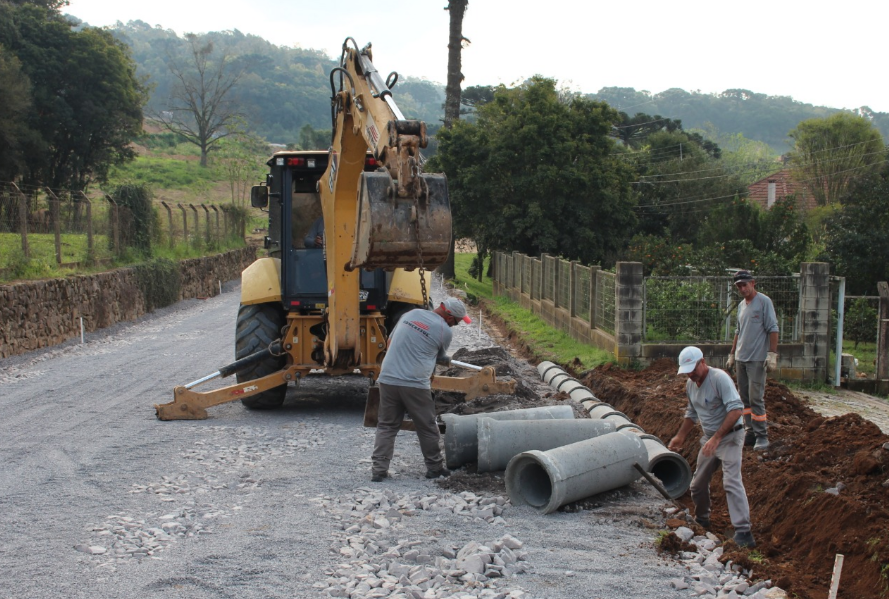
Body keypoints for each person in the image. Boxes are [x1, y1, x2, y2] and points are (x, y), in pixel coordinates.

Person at [371, 297, 472, 482]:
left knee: (386, 425)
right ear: (449, 318)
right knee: (426, 427)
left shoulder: (410, 314)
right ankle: (434, 468)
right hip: (414, 384)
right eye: (457, 322)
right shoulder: (444, 331)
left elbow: (389, 343)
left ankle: (378, 470)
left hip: (387, 378)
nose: (455, 326)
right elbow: (438, 357)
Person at [668, 346, 756, 548]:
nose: (690, 374)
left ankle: (744, 533)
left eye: (693, 369)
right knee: (697, 484)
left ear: (702, 362)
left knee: (731, 482)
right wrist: (680, 436)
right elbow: (691, 414)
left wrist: (717, 438)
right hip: (710, 439)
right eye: (687, 371)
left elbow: (736, 410)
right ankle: (702, 520)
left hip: (730, 437)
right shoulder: (691, 385)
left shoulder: (719, 379)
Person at [725, 270, 779, 451]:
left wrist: (772, 354)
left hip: (757, 359)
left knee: (756, 398)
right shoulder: (741, 305)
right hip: (741, 358)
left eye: (744, 285)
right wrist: (732, 354)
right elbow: (738, 332)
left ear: (753, 283)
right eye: (739, 286)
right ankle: (750, 432)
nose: (742, 288)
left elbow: (773, 328)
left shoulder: (764, 302)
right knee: (744, 398)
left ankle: (762, 436)